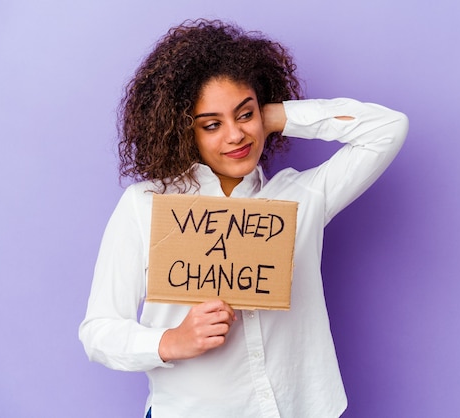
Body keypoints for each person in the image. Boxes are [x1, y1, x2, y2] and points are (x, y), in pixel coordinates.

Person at [79, 19, 408, 418]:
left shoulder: (301, 198)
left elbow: (388, 129)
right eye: (212, 125)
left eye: (244, 114)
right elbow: (98, 332)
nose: (235, 135)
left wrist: (271, 116)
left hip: (300, 407)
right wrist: (170, 341)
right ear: (185, 132)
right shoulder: (145, 205)